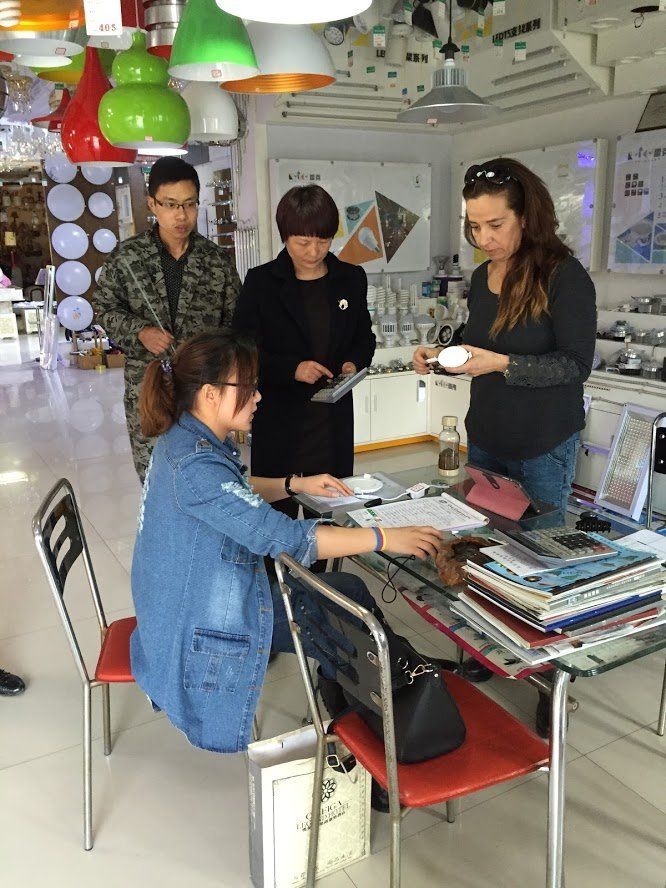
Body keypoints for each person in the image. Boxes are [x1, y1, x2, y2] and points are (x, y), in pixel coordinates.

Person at [130, 329, 442, 754]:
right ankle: (386, 716)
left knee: (346, 594)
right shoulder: (194, 465)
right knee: (346, 607)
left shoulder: (184, 438)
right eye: (248, 387)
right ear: (210, 394)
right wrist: (384, 537)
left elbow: (233, 491)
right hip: (200, 620)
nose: (258, 397)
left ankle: (372, 690)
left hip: (181, 601)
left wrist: (295, 484)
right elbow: (287, 538)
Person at [414, 157, 597, 735]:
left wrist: (502, 364)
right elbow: (478, 345)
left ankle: (550, 681)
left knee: (542, 561)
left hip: (542, 440)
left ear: (526, 217)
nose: (483, 238)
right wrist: (442, 355)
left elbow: (575, 365)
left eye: (495, 225)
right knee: (482, 549)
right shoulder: (481, 278)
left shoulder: (564, 277)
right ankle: (485, 649)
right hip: (488, 435)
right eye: (475, 226)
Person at [233, 184, 375, 518]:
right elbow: (242, 348)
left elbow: (364, 338)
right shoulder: (261, 282)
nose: (314, 251)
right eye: (303, 242)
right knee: (276, 512)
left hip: (331, 420)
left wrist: (353, 363)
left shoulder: (350, 278)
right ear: (285, 236)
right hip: (280, 416)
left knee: (327, 512)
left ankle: (323, 554)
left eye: (323, 241)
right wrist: (292, 369)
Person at [94, 157, 240, 482]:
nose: (181, 215)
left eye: (189, 204)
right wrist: (140, 332)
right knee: (155, 474)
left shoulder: (216, 261)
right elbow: (103, 308)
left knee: (206, 472)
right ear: (152, 204)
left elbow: (235, 324)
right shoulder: (127, 257)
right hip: (149, 387)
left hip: (203, 390)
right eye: (171, 204)